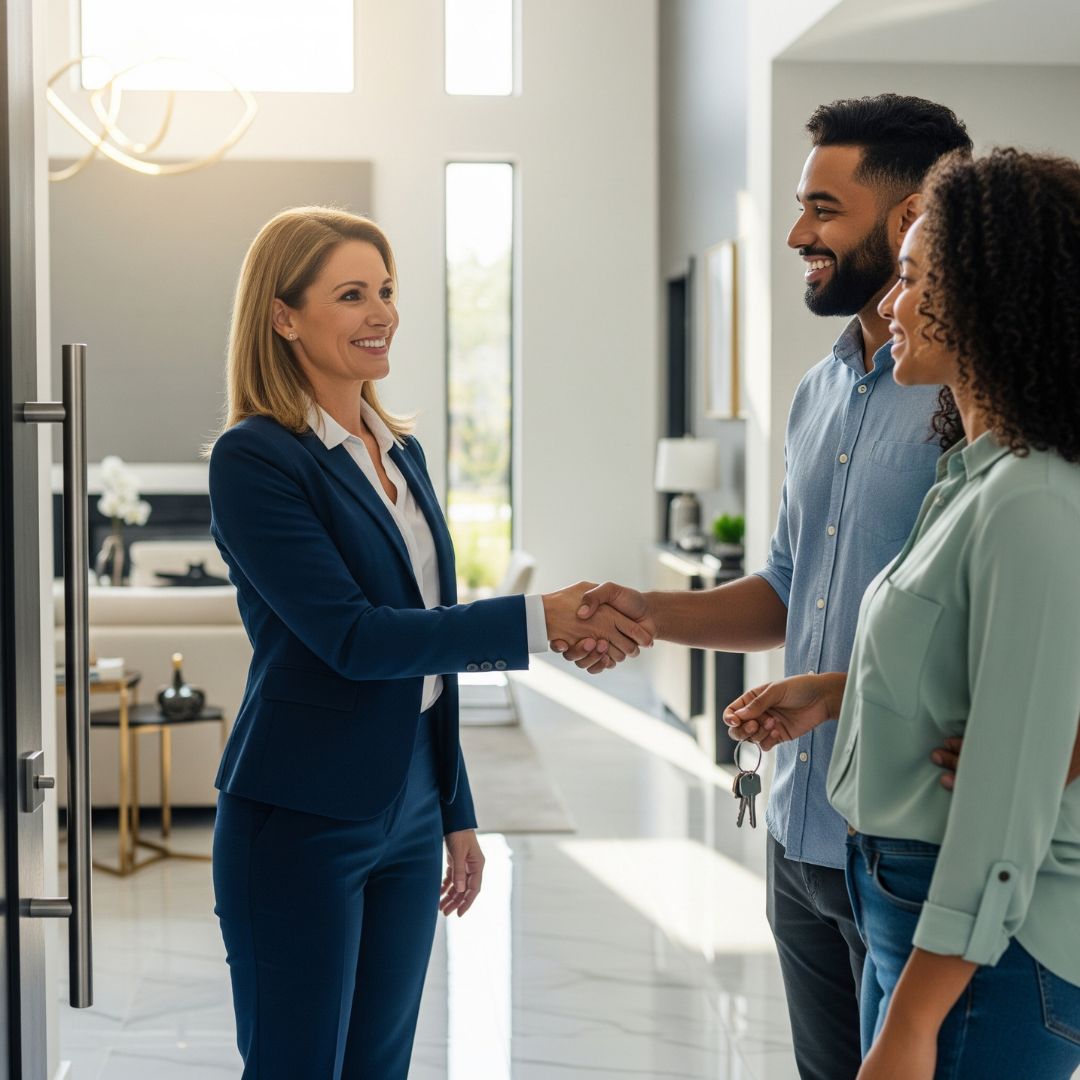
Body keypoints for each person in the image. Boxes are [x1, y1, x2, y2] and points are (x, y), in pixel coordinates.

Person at [555, 94, 972, 1079]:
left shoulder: (978, 397)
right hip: (799, 838)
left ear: (913, 215)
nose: (798, 234)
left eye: (824, 209)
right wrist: (645, 613)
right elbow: (788, 594)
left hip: (913, 844)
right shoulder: (817, 391)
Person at [207, 206, 653, 1080]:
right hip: (299, 815)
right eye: (350, 295)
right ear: (283, 315)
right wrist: (536, 620)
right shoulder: (255, 459)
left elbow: (427, 662)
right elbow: (355, 638)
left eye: (385, 291)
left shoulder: (395, 449)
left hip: (408, 801)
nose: (381, 313)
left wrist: (452, 807)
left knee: (383, 1063)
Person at [723, 148, 1080, 1079]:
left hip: (981, 951)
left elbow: (1002, 807)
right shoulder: (972, 477)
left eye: (917, 279)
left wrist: (916, 1018)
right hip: (914, 912)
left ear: (993, 299)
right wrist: (844, 693)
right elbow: (967, 664)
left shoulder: (1031, 501)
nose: (891, 303)